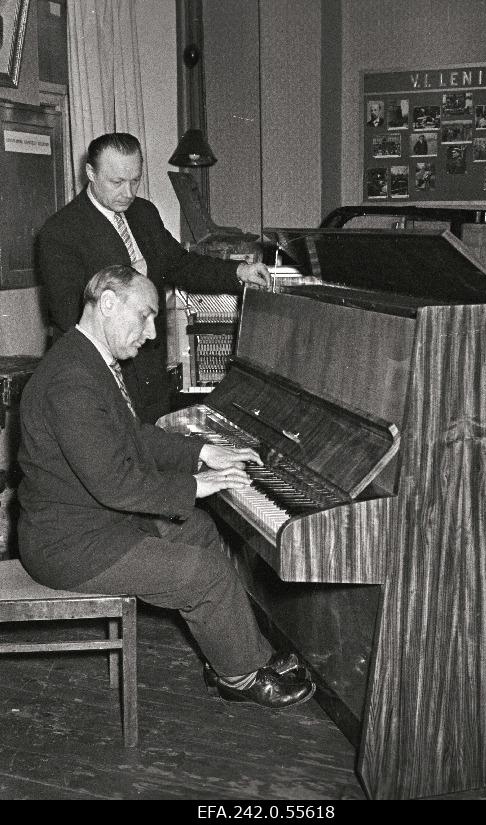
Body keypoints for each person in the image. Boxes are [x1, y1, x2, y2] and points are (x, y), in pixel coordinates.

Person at [17, 264, 315, 710]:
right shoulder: (71, 380)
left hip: (95, 525)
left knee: (198, 531)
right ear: (109, 304)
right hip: (71, 546)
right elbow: (116, 485)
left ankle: (238, 652)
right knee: (205, 575)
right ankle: (239, 676)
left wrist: (202, 453)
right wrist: (196, 484)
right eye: (146, 316)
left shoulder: (85, 358)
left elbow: (133, 435)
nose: (153, 332)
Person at [38, 132, 271, 425]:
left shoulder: (144, 213)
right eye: (116, 182)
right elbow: (68, 314)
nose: (128, 192)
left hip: (150, 366)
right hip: (104, 375)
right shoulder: (60, 232)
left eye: (134, 180)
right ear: (90, 173)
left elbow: (179, 264)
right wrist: (130, 282)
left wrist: (237, 272)